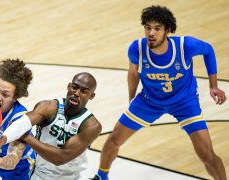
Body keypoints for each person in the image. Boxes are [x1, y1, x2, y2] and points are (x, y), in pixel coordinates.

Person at [92, 5, 227, 180]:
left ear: (168, 30)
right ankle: (101, 177)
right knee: (114, 140)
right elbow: (133, 72)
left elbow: (208, 49)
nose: (151, 33)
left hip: (184, 103)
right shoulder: (137, 48)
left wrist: (213, 86)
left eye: (157, 28)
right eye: (148, 28)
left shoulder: (186, 46)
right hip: (149, 101)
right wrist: (131, 100)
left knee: (207, 155)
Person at [0, 72, 102, 179]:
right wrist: (2, 140)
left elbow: (61, 157)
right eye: (74, 87)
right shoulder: (48, 107)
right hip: (41, 175)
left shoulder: (91, 126)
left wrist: (27, 137)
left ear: (91, 96)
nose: (76, 93)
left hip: (73, 177)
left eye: (84, 91)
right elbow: (23, 123)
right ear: (69, 86)